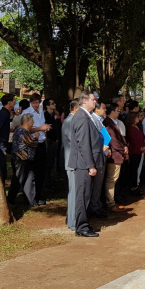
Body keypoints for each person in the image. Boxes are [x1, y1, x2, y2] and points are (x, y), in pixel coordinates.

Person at [68, 92, 103, 237]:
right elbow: (83, 144)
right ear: (84, 101)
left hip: (86, 162)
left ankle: (84, 223)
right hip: (83, 164)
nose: (95, 102)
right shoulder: (82, 117)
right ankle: (81, 226)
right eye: (93, 100)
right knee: (82, 195)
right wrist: (90, 165)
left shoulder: (85, 116)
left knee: (86, 194)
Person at [21, 94, 51, 206]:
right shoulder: (27, 113)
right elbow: (26, 129)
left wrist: (45, 127)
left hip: (42, 142)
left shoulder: (40, 112)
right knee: (34, 171)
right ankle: (33, 196)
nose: (36, 105)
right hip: (33, 143)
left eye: (37, 103)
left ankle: (39, 194)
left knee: (41, 170)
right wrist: (40, 128)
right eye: (34, 103)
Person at [7, 114, 39, 206]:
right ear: (27, 122)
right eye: (32, 120)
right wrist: (36, 136)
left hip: (27, 159)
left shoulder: (21, 130)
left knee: (29, 178)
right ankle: (10, 200)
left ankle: (30, 201)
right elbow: (32, 143)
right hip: (21, 159)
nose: (33, 122)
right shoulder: (22, 131)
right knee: (18, 179)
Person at [103, 103, 128, 212]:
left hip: (115, 154)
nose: (119, 112)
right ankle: (110, 203)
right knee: (111, 179)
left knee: (113, 179)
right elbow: (113, 140)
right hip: (113, 155)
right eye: (118, 110)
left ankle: (111, 201)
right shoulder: (108, 124)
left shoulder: (111, 123)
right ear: (112, 111)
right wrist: (123, 149)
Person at [61, 99, 79, 230]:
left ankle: (72, 219)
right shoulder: (69, 121)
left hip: (74, 161)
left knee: (75, 191)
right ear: (76, 109)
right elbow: (75, 142)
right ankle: (73, 221)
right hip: (72, 162)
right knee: (73, 192)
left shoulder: (71, 120)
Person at [42, 98, 60, 192]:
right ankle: (46, 183)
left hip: (54, 140)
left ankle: (51, 181)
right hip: (49, 141)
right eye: (52, 103)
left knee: (52, 162)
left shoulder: (52, 115)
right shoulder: (45, 116)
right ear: (47, 106)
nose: (54, 104)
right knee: (48, 163)